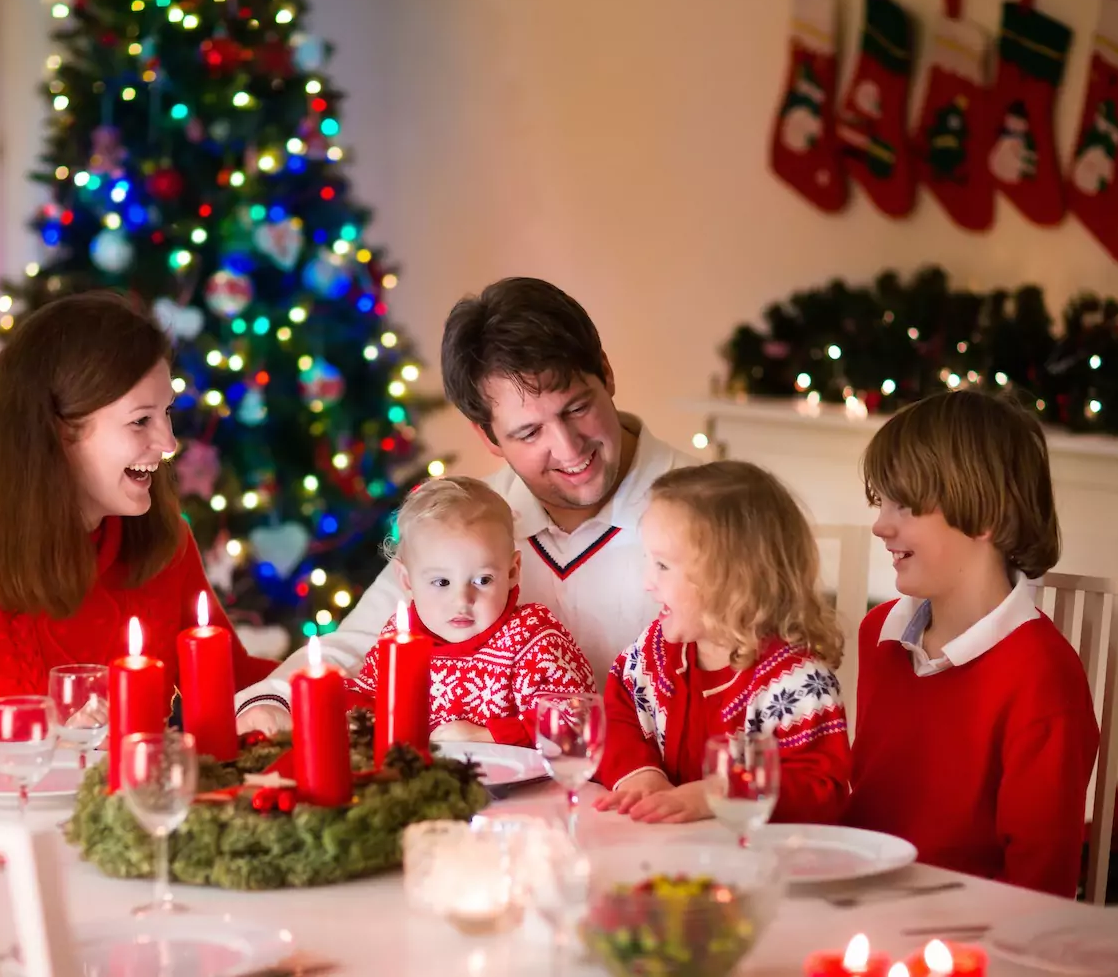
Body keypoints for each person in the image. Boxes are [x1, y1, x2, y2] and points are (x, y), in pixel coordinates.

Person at [0, 292, 277, 781]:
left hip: (135, 843)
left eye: (167, 414)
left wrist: (347, 670)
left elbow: (239, 685)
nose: (169, 444)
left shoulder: (165, 545)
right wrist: (40, 755)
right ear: (58, 433)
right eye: (141, 421)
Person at [237, 277, 696, 732]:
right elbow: (354, 645)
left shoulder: (719, 510)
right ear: (488, 437)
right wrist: (273, 703)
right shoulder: (467, 520)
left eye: (576, 408)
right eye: (529, 432)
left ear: (606, 372)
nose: (569, 447)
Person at [843, 389, 1098, 898]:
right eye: (881, 501)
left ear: (985, 516)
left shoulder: (1041, 675)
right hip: (856, 905)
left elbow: (1038, 889)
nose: (880, 525)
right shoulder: (880, 635)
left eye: (906, 505)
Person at [594, 461, 851, 824]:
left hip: (759, 865)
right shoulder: (656, 651)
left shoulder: (796, 681)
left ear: (732, 579)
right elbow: (618, 712)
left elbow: (822, 790)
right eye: (648, 561)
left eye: (663, 566)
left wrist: (718, 793)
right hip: (668, 856)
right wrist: (640, 773)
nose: (647, 582)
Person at [344, 475, 595, 744]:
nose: (462, 600)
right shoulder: (399, 639)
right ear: (406, 580)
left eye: (482, 580)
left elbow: (574, 720)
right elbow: (367, 698)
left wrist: (487, 736)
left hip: (525, 782)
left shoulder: (532, 637)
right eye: (441, 582)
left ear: (512, 571)